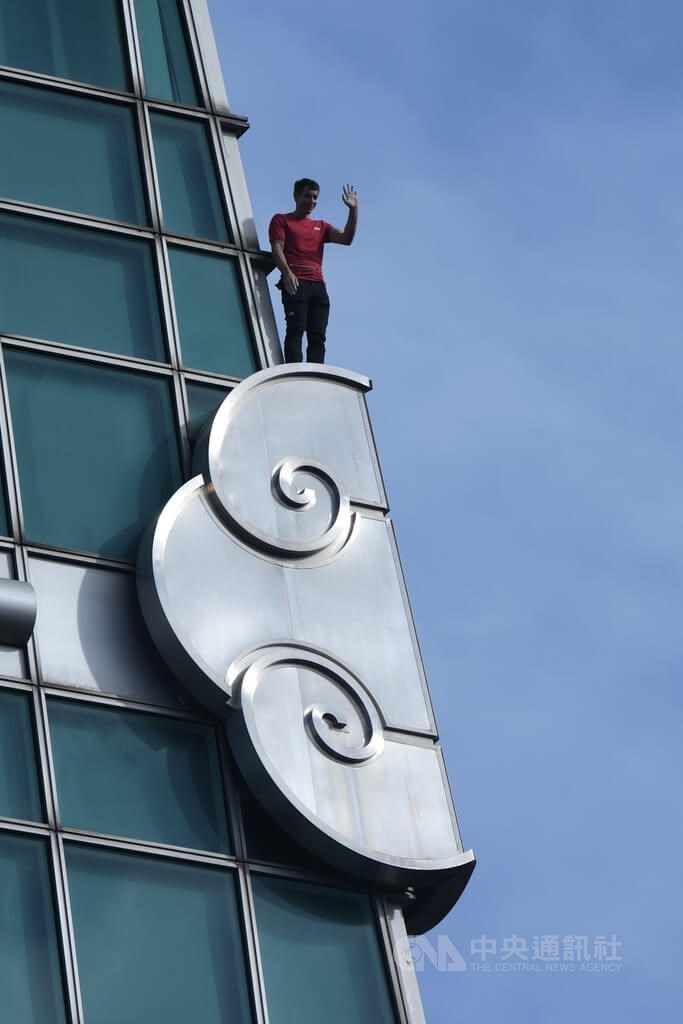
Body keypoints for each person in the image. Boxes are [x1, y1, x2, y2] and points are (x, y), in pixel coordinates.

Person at [269, 178, 359, 363]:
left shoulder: (321, 226)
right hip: (296, 281)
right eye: (307, 196)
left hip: (318, 285)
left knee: (318, 336)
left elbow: (346, 238)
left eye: (315, 197)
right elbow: (277, 248)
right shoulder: (282, 220)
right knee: (296, 329)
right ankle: (294, 371)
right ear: (296, 196)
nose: (311, 201)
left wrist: (353, 210)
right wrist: (287, 273)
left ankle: (315, 377)